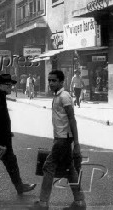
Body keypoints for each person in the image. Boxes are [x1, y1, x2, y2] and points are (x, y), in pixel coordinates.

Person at [32, 70, 85, 209]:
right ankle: (79, 202)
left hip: (62, 139)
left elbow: (72, 120)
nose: (50, 83)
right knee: (70, 169)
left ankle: (43, 203)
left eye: (53, 80)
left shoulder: (64, 96)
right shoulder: (57, 96)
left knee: (48, 167)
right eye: (49, 80)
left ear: (61, 82)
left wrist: (77, 144)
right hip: (61, 139)